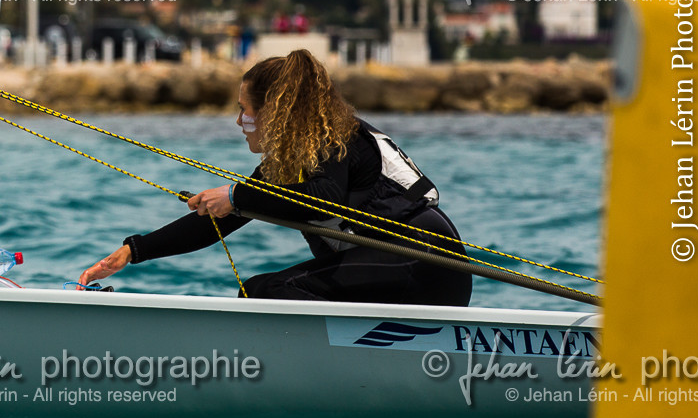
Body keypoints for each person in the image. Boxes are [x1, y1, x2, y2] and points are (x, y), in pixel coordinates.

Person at [78, 49, 471, 306]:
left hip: (427, 263)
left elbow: (323, 198)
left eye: (245, 111)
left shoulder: (339, 138)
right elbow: (225, 218)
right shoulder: (287, 162)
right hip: (393, 273)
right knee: (263, 289)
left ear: (276, 112)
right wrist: (133, 251)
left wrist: (235, 195)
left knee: (267, 291)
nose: (239, 122)